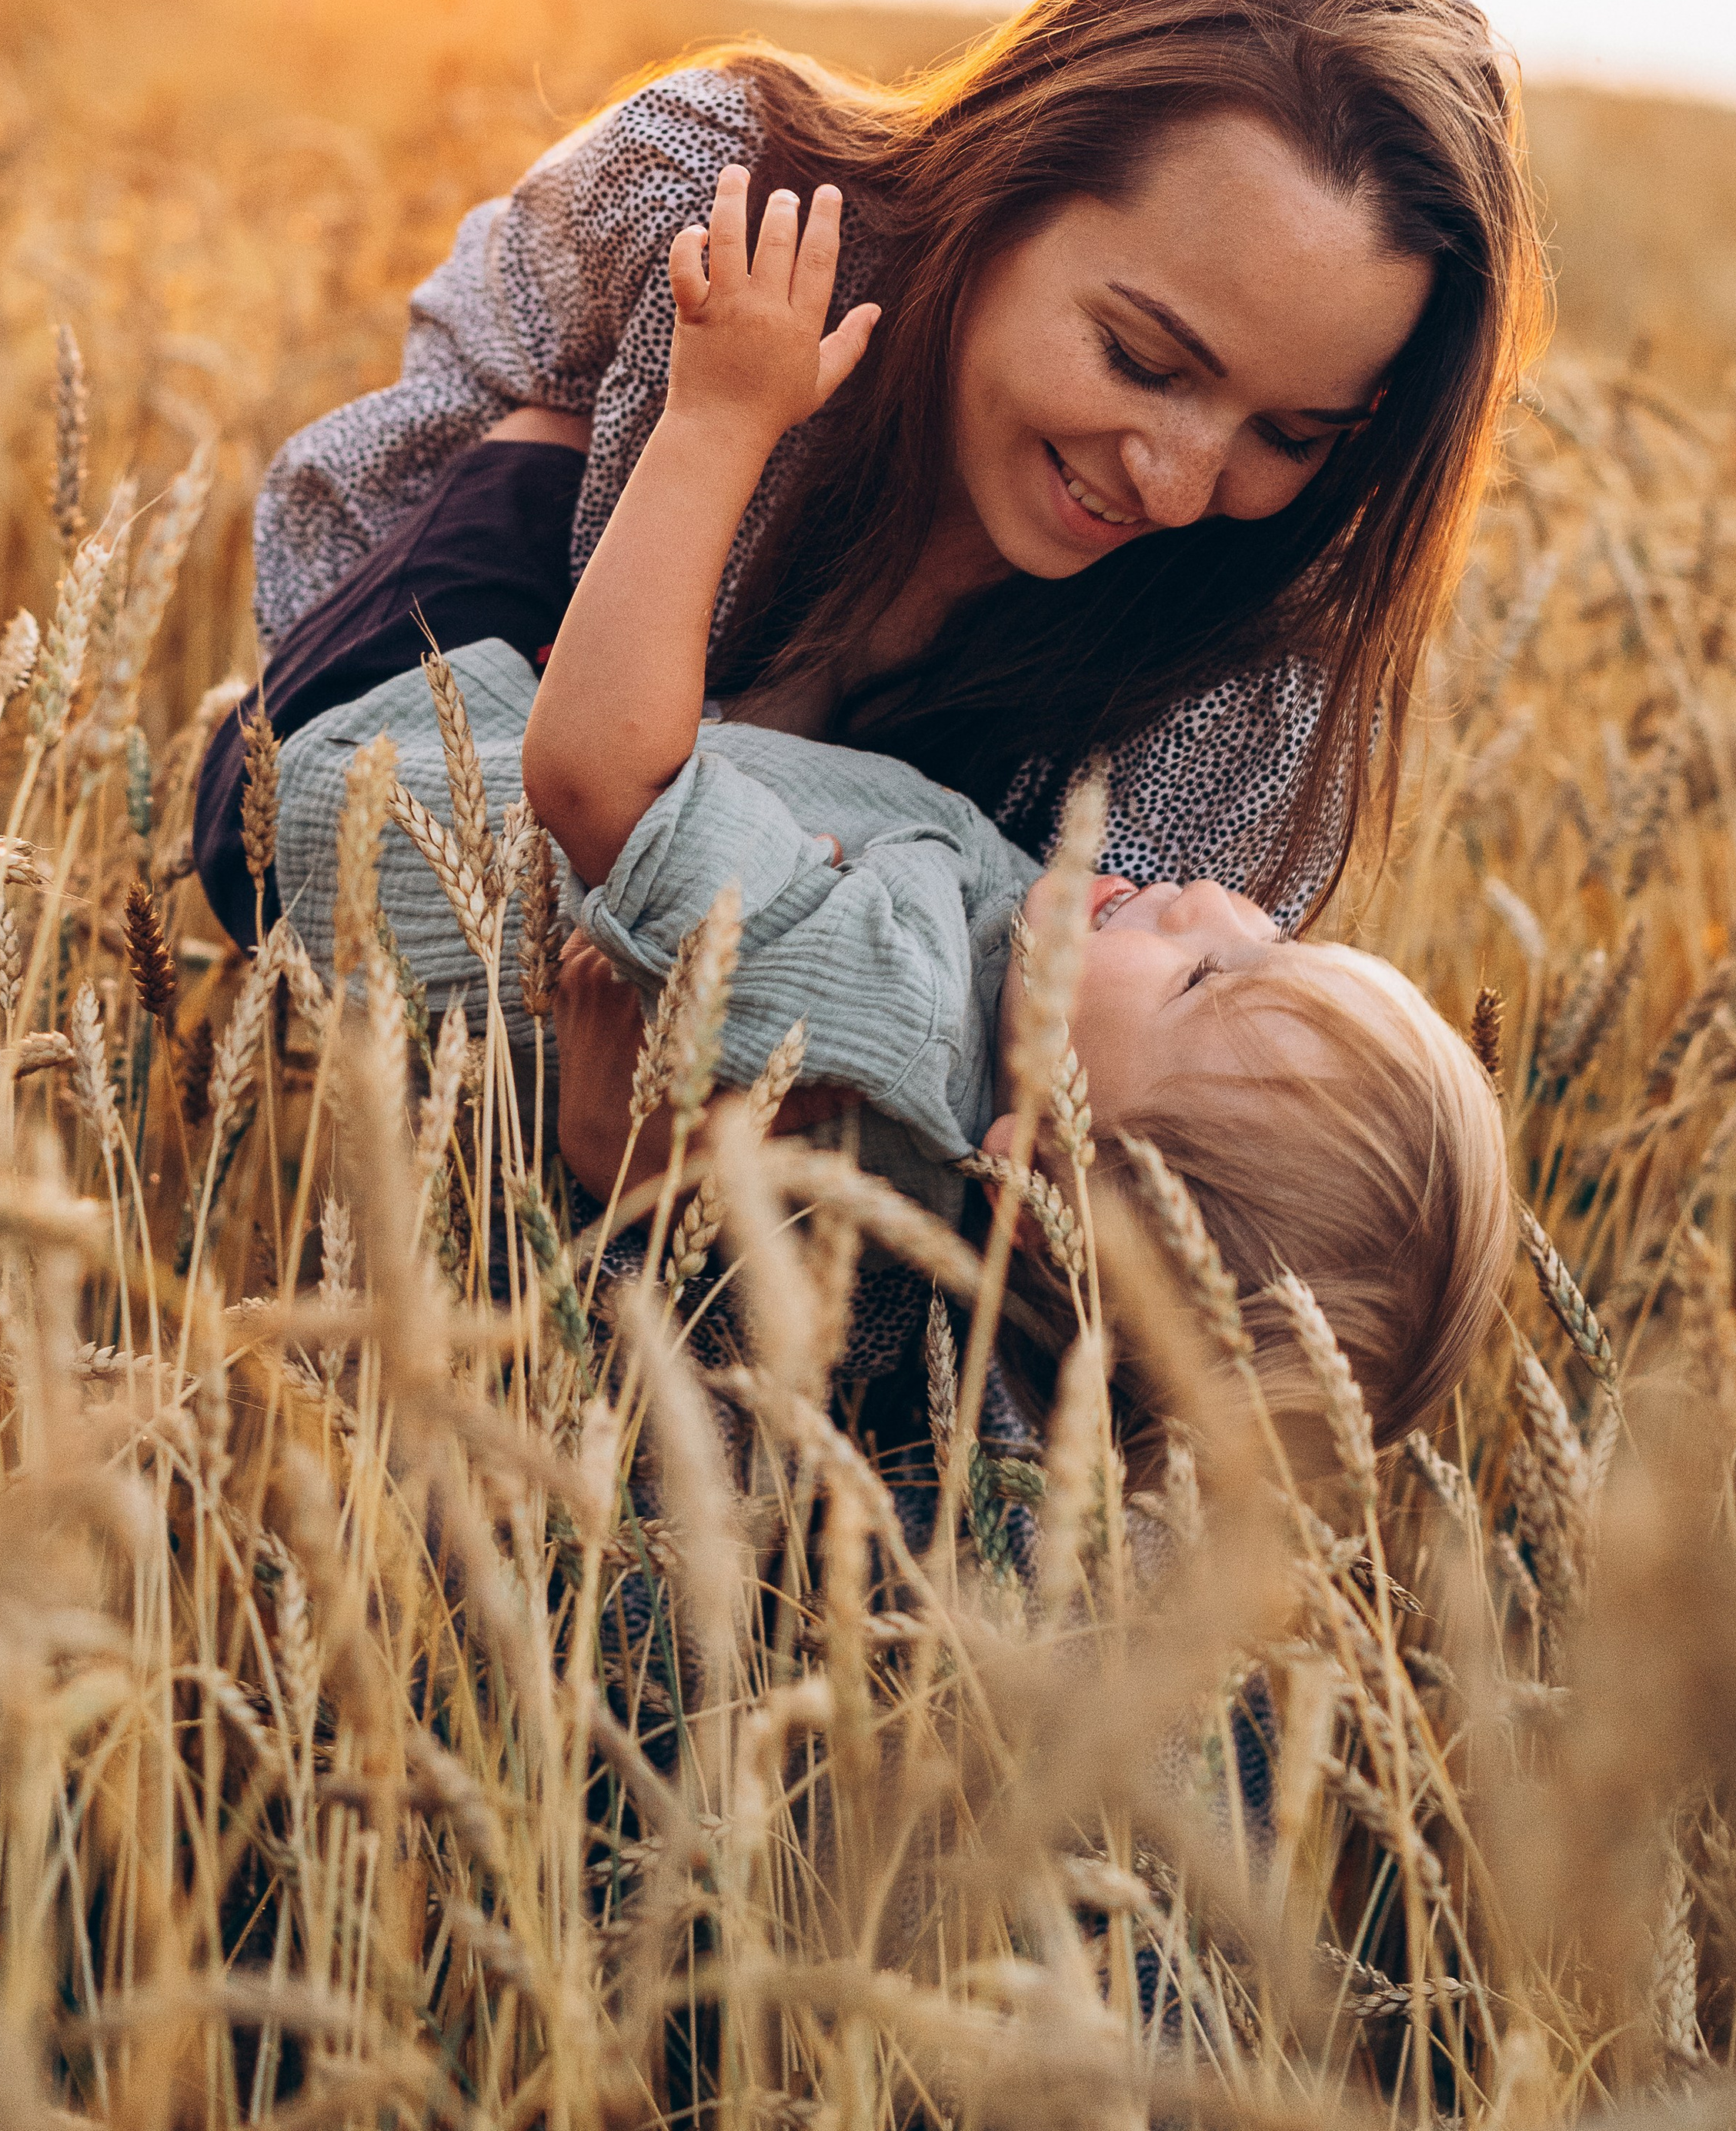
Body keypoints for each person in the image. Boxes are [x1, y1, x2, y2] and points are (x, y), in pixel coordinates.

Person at [276, 163, 1511, 1453]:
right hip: (447, 818)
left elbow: (594, 775)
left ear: (1034, 1176)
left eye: (1203, 977)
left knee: (544, 442)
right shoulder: (977, 1019)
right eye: (1272, 942)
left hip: (380, 753)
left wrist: (719, 421)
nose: (1218, 900)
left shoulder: (885, 994)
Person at [196, 0, 1547, 963]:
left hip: (777, 1241)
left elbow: (1094, 1140)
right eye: (1141, 359)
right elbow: (418, 431)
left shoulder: (1255, 689)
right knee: (544, 434)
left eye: (1293, 437)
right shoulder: (725, 205)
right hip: (378, 877)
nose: (1185, 487)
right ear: (1011, 173)